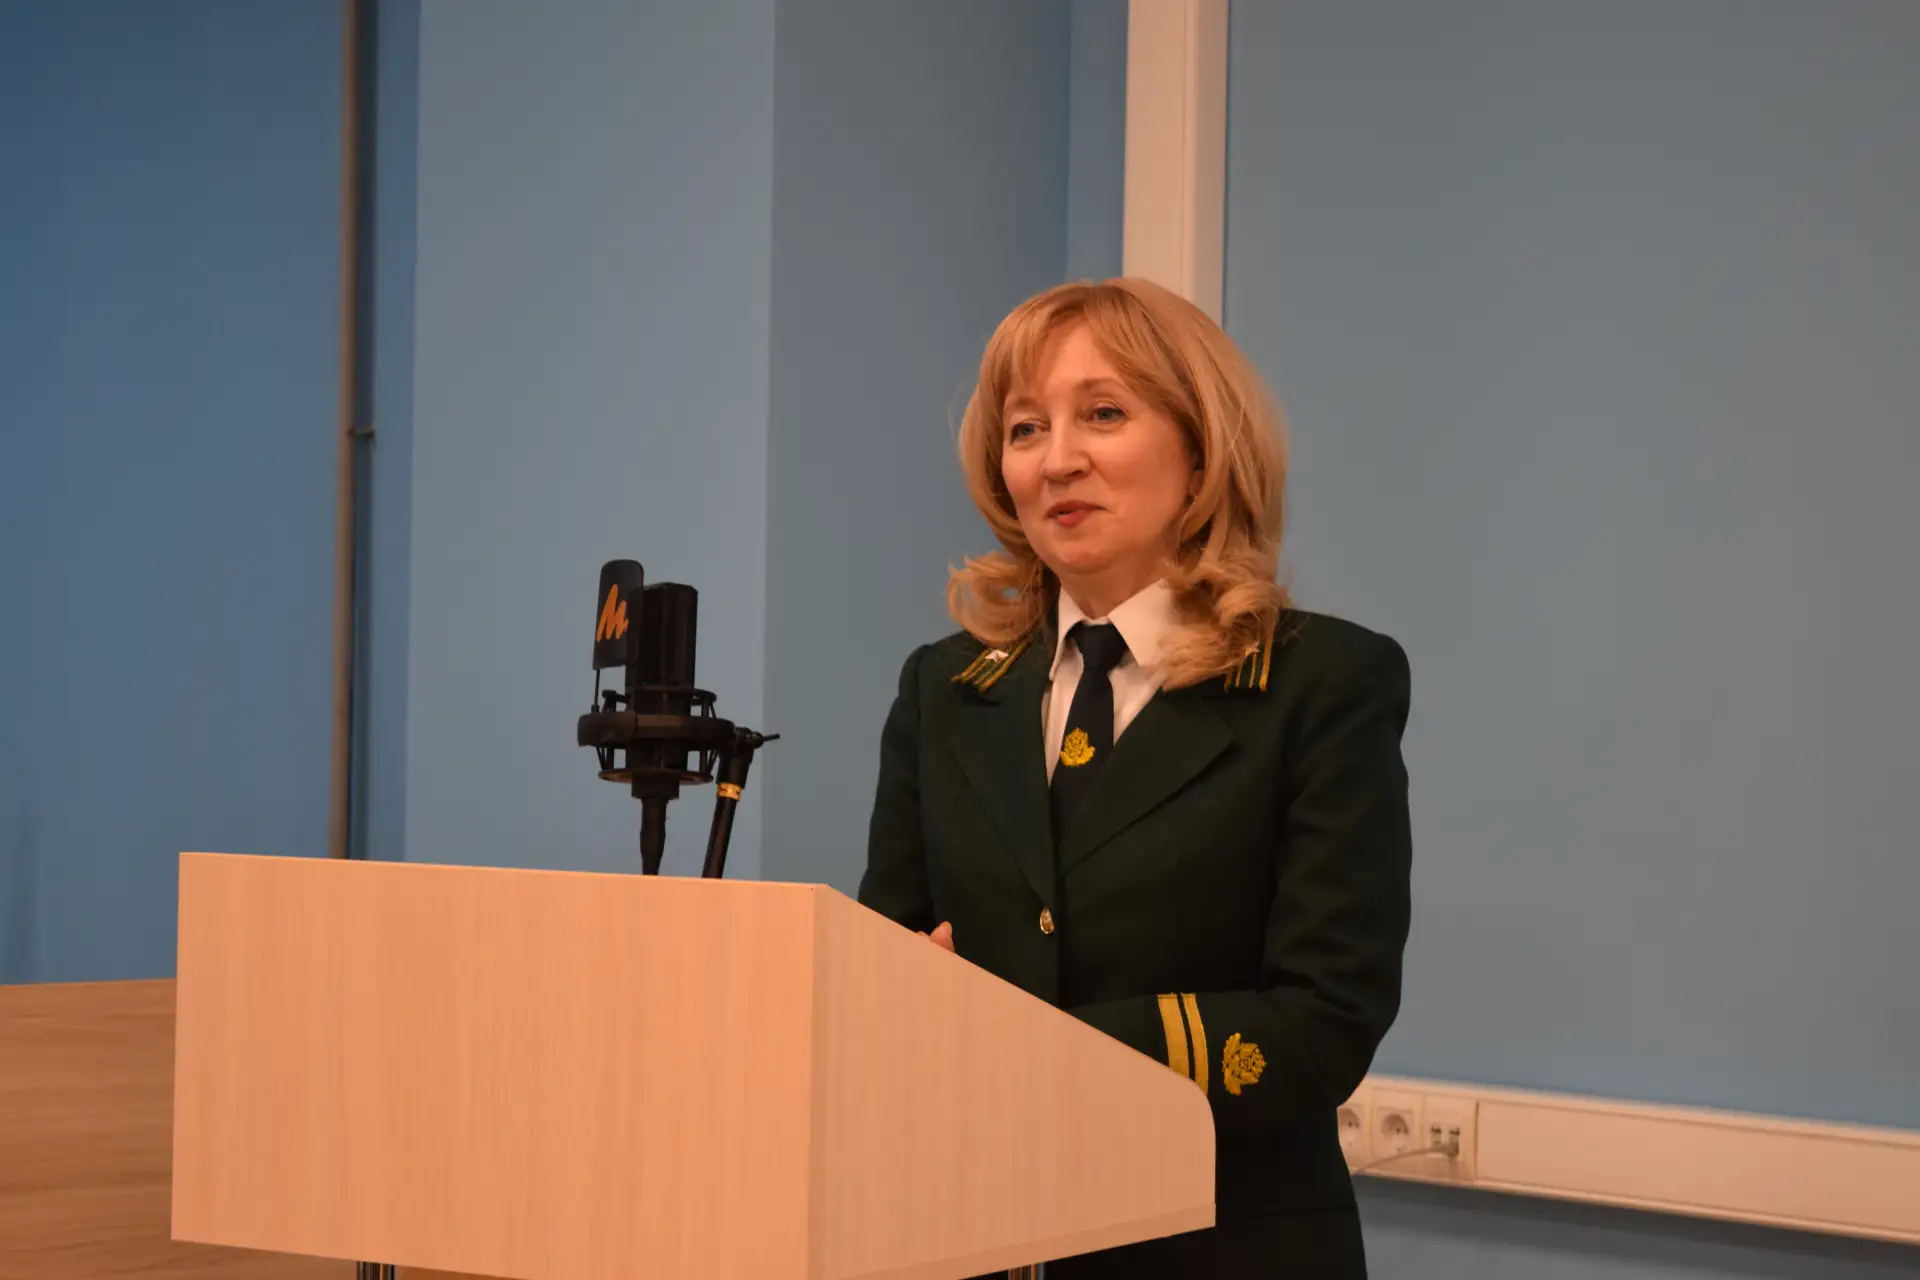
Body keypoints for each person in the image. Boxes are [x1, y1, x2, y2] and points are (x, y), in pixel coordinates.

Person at [857, 277, 1411, 1277]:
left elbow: (1324, 1019)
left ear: (1202, 449)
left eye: (1104, 414)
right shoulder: (945, 688)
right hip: (976, 1232)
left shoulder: (1323, 682)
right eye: (1026, 428)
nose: (1057, 458)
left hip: (1220, 1246)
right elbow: (888, 970)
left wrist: (1021, 1048)